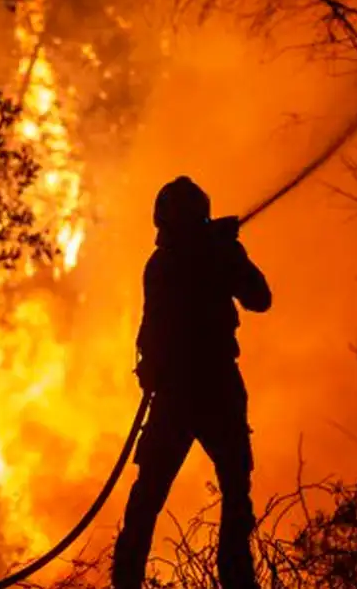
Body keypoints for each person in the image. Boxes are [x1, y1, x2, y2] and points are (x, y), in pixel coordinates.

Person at [112, 176, 272, 589]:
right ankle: (236, 581)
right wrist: (225, 251)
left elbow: (259, 298)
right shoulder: (187, 259)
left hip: (183, 393)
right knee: (232, 489)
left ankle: (127, 581)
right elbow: (258, 297)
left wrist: (226, 252)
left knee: (151, 495)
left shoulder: (166, 262)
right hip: (207, 387)